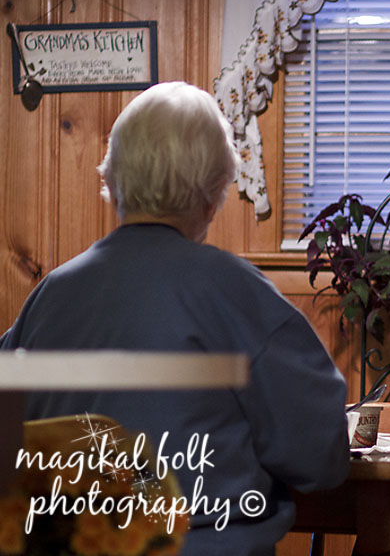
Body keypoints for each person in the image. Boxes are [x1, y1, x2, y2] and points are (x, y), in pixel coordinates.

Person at [0, 82, 350, 554]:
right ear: (212, 194)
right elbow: (319, 458)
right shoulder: (237, 293)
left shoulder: (49, 296)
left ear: (113, 182)